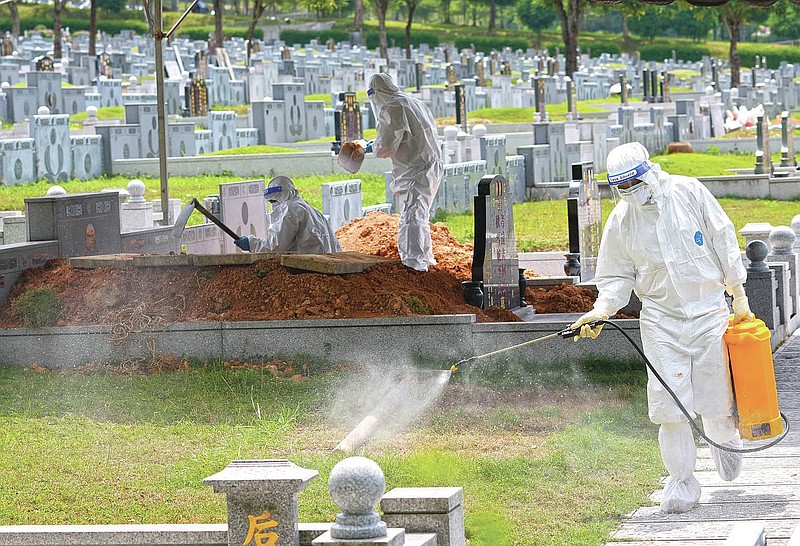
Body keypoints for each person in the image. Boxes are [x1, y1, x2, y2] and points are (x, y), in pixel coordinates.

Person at [570, 142, 754, 514]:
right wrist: (601, 310)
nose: (632, 192)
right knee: (669, 405)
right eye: (623, 188)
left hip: (709, 314)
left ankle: (724, 441)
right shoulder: (623, 220)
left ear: (650, 171)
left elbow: (722, 236)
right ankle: (682, 482)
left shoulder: (688, 192)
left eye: (636, 182)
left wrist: (739, 294)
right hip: (661, 322)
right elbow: (616, 275)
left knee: (716, 398)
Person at [366, 72, 443, 272]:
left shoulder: (392, 107)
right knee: (420, 214)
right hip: (431, 165)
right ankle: (426, 259)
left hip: (415, 168)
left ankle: (413, 264)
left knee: (411, 215)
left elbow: (386, 147)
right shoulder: (412, 102)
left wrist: (369, 147)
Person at [234, 176, 342, 254]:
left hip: (311, 268)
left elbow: (276, 248)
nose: (273, 206)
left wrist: (252, 243)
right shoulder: (306, 208)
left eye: (273, 201)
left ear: (282, 197)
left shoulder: (290, 210)